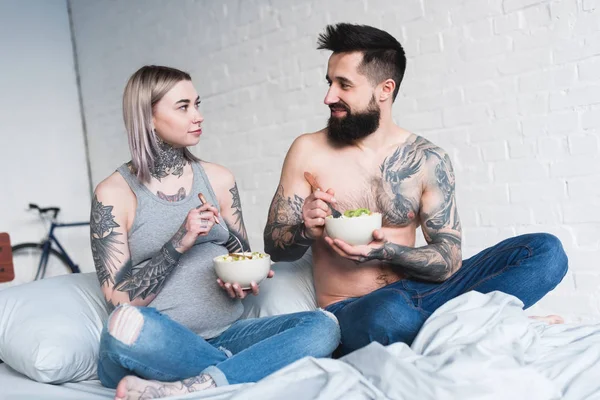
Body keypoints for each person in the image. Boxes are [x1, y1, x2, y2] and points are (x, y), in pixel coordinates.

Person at [263, 23, 568, 357]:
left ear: (384, 89)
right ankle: (477, 322)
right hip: (355, 308)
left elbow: (449, 259)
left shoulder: (427, 159)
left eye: (343, 85)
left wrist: (390, 253)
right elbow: (276, 247)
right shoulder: (308, 150)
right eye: (330, 83)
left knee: (547, 252)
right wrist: (304, 228)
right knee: (389, 315)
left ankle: (461, 323)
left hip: (425, 292)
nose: (329, 97)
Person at [91, 65, 340, 400]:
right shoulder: (114, 194)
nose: (198, 116)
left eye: (197, 104)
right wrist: (180, 241)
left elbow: (242, 257)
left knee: (323, 327)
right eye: (183, 107)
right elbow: (118, 298)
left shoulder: (219, 179)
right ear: (147, 118)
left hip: (227, 334)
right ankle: (238, 369)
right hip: (159, 340)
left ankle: (195, 382)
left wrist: (242, 280)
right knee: (126, 326)